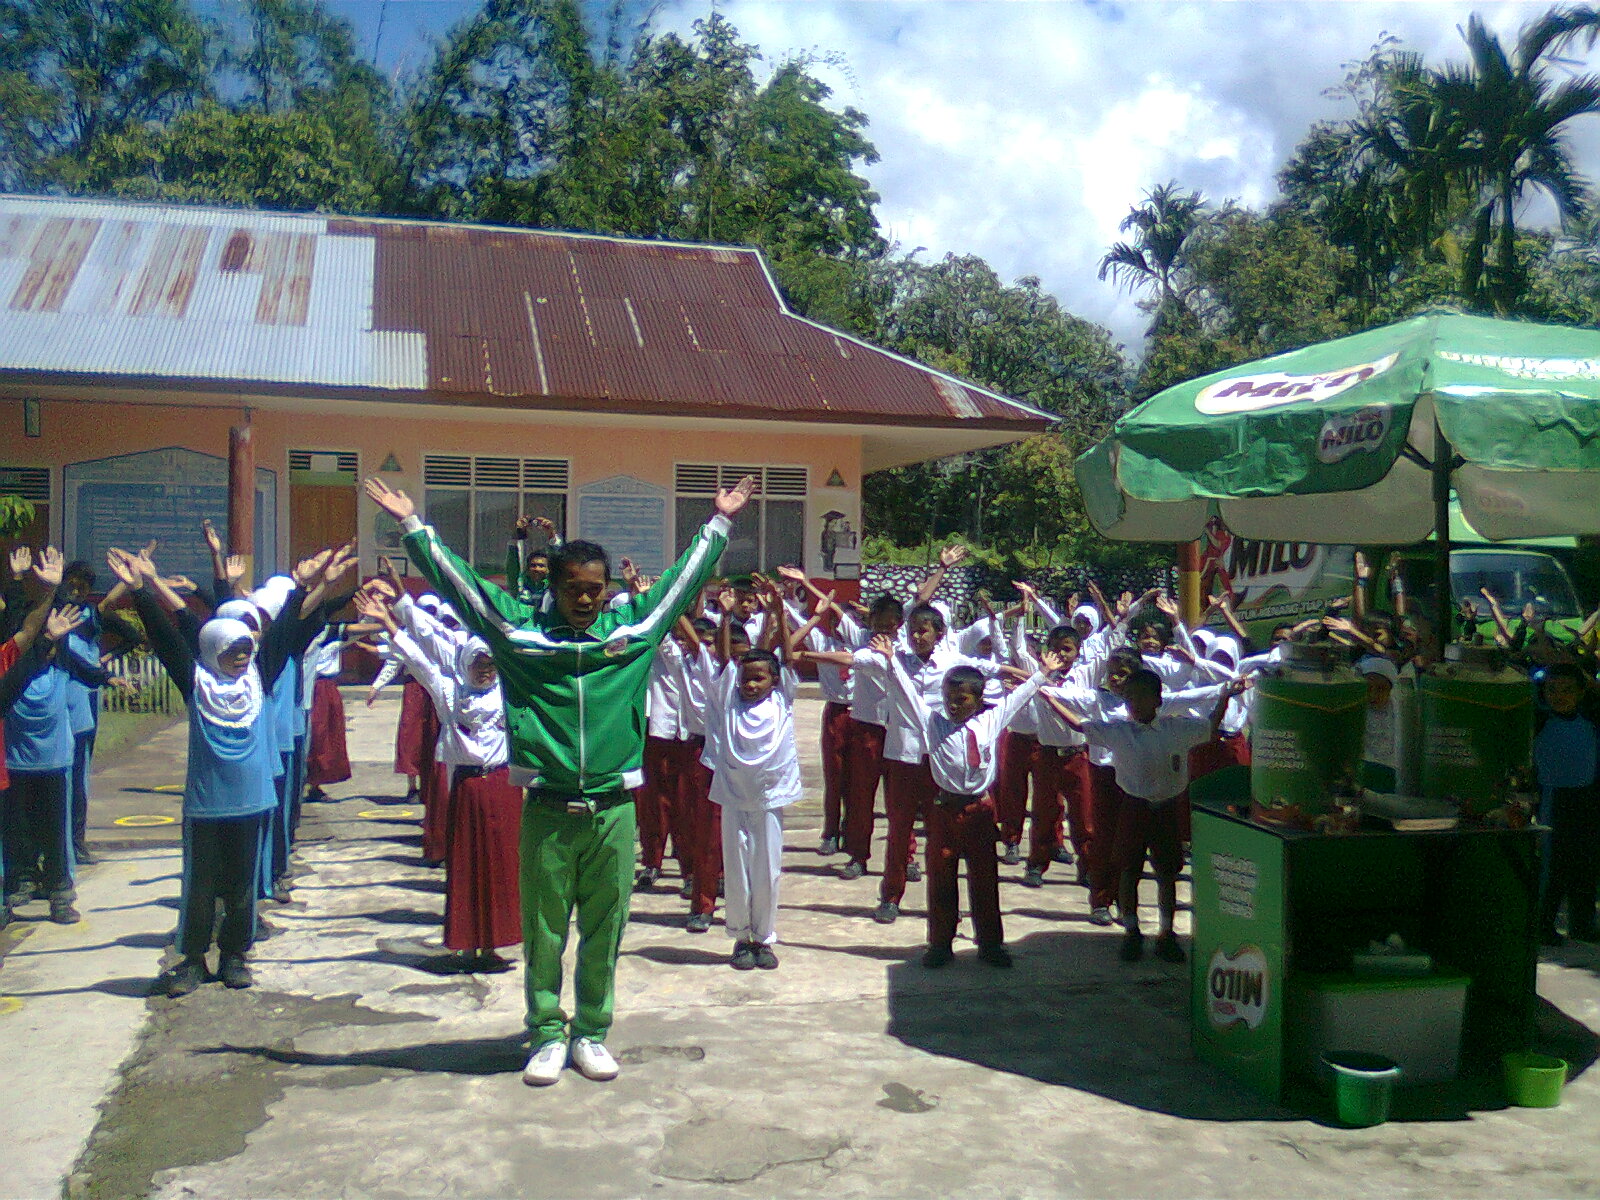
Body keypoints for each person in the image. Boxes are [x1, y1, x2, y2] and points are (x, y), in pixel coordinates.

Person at [366, 471, 755, 1088]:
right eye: (575, 588)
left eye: (595, 590)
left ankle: (592, 1033)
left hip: (612, 811)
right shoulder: (520, 636)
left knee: (606, 929)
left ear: (606, 592)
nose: (585, 599)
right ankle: (546, 1033)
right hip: (546, 809)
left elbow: (681, 585)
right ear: (557, 587)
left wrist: (719, 523)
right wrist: (414, 527)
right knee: (544, 931)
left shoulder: (632, 634)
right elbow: (461, 586)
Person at [110, 543, 324, 996]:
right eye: (233, 649)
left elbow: (284, 631)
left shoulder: (258, 676)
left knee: (243, 886)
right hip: (208, 805)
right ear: (213, 650)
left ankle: (234, 956)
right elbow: (171, 639)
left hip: (252, 803)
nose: (243, 656)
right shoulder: (196, 681)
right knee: (200, 887)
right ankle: (191, 960)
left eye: (247, 649)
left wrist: (301, 587)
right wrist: (142, 591)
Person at [360, 589, 522, 969]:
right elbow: (420, 661)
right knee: (467, 865)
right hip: (466, 787)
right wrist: (390, 623)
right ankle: (468, 942)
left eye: (490, 664)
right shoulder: (450, 692)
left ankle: (496, 941)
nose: (485, 670)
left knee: (501, 864)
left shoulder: (509, 692)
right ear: (465, 663)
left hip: (502, 786)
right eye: (478, 663)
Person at [875, 633, 1058, 968]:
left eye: (961, 699)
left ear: (977, 700)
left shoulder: (989, 721)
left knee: (985, 876)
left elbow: (1015, 699)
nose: (953, 705)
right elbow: (908, 695)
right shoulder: (933, 724)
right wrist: (890, 662)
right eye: (949, 698)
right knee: (942, 876)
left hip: (980, 810)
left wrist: (1041, 674)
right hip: (944, 809)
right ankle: (940, 944)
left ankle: (990, 944)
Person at [1053, 668, 1249, 964]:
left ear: (1157, 700)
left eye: (1140, 697)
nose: (1133, 703)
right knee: (1128, 870)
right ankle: (1132, 931)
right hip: (1133, 806)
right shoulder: (1120, 731)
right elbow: (1081, 726)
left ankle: (1167, 933)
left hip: (1167, 806)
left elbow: (1209, 729)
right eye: (1129, 697)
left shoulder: (1176, 729)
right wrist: (1046, 697)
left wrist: (1223, 697)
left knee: (1167, 873)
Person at [697, 631, 802, 970]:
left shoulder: (782, 700)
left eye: (760, 678)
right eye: (747, 678)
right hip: (733, 798)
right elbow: (726, 663)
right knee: (738, 871)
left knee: (767, 872)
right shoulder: (729, 702)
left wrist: (781, 614)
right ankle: (742, 939)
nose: (751, 685)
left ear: (775, 681)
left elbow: (787, 657)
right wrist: (725, 619)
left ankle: (765, 937)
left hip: (769, 800)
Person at [1533, 663, 1599, 945]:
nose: (1560, 696)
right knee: (1553, 866)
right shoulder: (1538, 721)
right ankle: (1543, 924)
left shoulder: (1591, 722)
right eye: (1553, 690)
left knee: (1586, 865)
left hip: (1588, 799)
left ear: (1581, 693)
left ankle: (1582, 925)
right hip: (1553, 799)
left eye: (1567, 690)